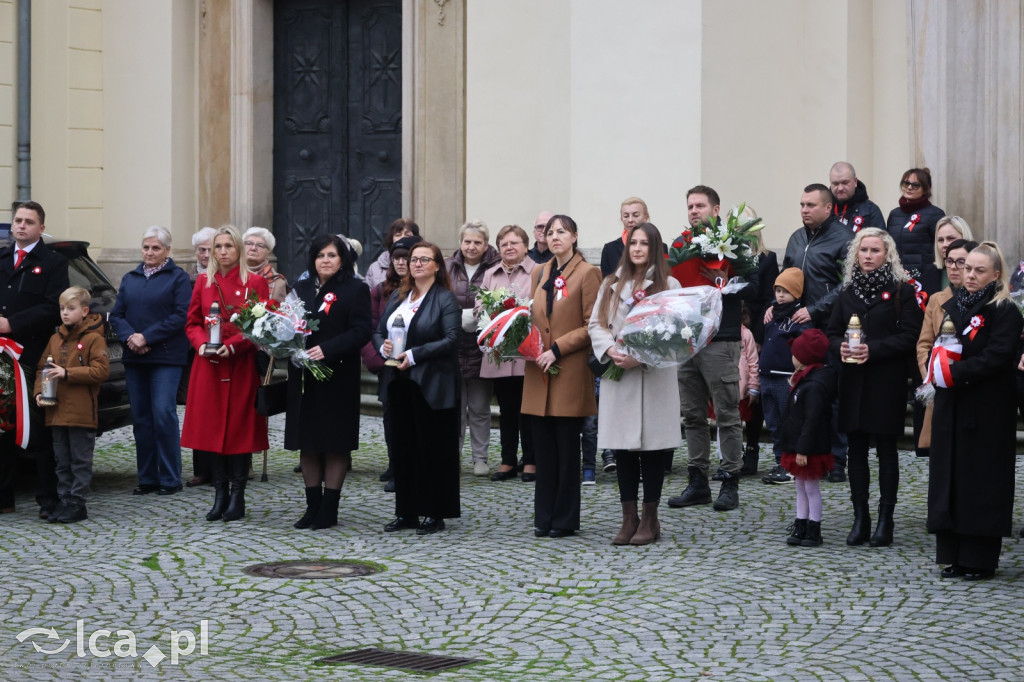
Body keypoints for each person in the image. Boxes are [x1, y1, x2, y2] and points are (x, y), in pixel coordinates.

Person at [927, 242, 1023, 581]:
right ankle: (953, 554)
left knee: (980, 482)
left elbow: (997, 356)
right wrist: (936, 368)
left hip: (986, 410)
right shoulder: (955, 306)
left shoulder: (1004, 310)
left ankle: (979, 559)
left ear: (996, 275)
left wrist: (957, 373)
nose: (970, 275)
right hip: (953, 406)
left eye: (979, 270)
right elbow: (943, 346)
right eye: (967, 268)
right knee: (951, 479)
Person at [826, 228, 923, 547]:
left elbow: (911, 336)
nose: (868, 256)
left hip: (886, 381)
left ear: (887, 254)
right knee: (856, 450)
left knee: (886, 451)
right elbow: (832, 331)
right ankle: (860, 518)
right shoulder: (847, 291)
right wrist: (840, 345)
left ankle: (886, 519)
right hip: (853, 381)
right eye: (863, 250)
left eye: (875, 251)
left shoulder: (901, 291)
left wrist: (875, 349)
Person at [668, 186, 758, 512]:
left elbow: (759, 284)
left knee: (726, 413)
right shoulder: (679, 245)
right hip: (687, 339)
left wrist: (726, 279)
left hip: (720, 338)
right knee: (692, 415)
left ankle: (730, 479)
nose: (694, 210)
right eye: (690, 205)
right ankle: (698, 481)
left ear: (716, 209)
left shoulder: (733, 244)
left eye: (700, 205)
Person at [589, 223, 680, 545]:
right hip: (619, 377)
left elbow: (677, 333)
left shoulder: (669, 284)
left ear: (654, 247)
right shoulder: (612, 283)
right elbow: (596, 325)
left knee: (652, 450)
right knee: (623, 449)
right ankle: (628, 518)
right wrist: (612, 349)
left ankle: (650, 518)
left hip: (653, 378)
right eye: (633, 243)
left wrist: (641, 357)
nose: (638, 248)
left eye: (644, 243)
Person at [180, 225, 270, 523]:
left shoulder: (255, 281)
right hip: (208, 365)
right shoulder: (203, 282)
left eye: (228, 246)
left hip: (240, 364)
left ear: (238, 249)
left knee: (239, 431)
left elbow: (260, 325)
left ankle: (238, 495)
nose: (222, 252)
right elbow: (192, 322)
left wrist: (232, 346)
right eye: (217, 247)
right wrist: (201, 343)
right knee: (212, 429)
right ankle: (219, 493)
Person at [521, 214, 601, 538]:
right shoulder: (539, 272)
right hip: (538, 371)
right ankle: (544, 517)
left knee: (567, 449)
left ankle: (565, 519)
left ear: (575, 236)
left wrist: (557, 348)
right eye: (550, 232)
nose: (554, 237)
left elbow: (591, 325)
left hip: (567, 369)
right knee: (543, 449)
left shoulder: (588, 272)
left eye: (562, 232)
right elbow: (533, 315)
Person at [374, 241, 461, 535]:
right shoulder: (399, 296)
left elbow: (451, 339)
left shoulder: (445, 299)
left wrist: (413, 355)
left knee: (432, 450)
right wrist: (383, 346)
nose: (417, 264)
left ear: (437, 265)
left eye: (425, 259)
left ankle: (434, 512)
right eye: (414, 259)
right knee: (402, 448)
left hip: (431, 384)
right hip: (398, 383)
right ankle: (406, 512)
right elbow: (377, 331)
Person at [768, 184, 854, 482]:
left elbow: (848, 285)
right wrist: (775, 305)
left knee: (832, 395)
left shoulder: (844, 239)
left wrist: (815, 309)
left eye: (810, 205)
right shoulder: (795, 238)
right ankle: (804, 455)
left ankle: (838, 458)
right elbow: (787, 280)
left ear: (828, 208)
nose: (804, 209)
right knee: (803, 394)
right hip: (800, 328)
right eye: (802, 204)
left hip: (831, 326)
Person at [285, 235, 372, 530]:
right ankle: (312, 506)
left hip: (338, 375)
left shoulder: (356, 289)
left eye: (332, 255)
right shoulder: (300, 288)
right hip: (304, 375)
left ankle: (329, 507)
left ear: (342, 259)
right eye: (320, 255)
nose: (325, 260)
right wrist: (284, 345)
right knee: (308, 443)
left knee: (334, 443)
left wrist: (329, 349)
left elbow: (362, 330)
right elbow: (286, 324)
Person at [109, 226, 192, 495]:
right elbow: (117, 314)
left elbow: (180, 316)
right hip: (135, 357)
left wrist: (147, 337)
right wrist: (131, 336)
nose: (149, 252)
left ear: (167, 250)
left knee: (163, 413)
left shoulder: (178, 278)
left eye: (156, 248)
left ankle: (169, 478)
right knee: (142, 418)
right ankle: (147, 477)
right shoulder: (130, 277)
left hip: (166, 357)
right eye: (146, 247)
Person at [0, 201, 70, 518]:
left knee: (39, 428)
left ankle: (48, 499)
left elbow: (53, 307)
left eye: (29, 221)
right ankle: (4, 496)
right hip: (1, 356)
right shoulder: (2, 258)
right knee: (2, 428)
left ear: (41, 228)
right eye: (18, 220)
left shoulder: (53, 263)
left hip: (33, 356)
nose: (21, 225)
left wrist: (12, 324)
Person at [32, 286, 109, 523]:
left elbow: (100, 371)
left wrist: (67, 373)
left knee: (79, 461)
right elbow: (41, 368)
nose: (65, 313)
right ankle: (64, 500)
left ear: (85, 311)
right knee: (61, 461)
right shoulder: (55, 338)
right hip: (56, 413)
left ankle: (78, 503)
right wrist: (38, 392)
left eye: (71, 308)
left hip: (81, 413)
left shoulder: (94, 338)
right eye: (62, 308)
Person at [478, 225, 536, 483]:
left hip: (527, 351)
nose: (509, 247)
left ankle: (532, 460)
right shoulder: (491, 274)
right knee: (507, 409)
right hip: (501, 353)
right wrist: (495, 310)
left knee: (530, 410)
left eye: (515, 243)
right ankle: (508, 460)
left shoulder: (538, 272)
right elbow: (481, 304)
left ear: (525, 246)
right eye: (504, 244)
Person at [362, 235, 421, 492]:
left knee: (414, 417)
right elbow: (373, 327)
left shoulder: (424, 291)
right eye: (396, 258)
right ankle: (395, 464)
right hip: (389, 363)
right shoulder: (381, 290)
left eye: (405, 258)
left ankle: (412, 467)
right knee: (391, 418)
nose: (400, 262)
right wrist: (379, 358)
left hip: (416, 363)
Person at [446, 220, 500, 476]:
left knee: (479, 407)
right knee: (455, 407)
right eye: (467, 241)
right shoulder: (448, 267)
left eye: (477, 242)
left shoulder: (494, 267)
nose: (471, 246)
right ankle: (452, 456)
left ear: (485, 244)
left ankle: (480, 458)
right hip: (453, 347)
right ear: (460, 243)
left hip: (481, 349)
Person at [915, 238, 977, 452]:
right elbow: (924, 344)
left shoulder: (983, 300)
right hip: (940, 382)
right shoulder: (936, 299)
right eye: (950, 261)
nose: (953, 267)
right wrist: (931, 373)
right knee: (941, 449)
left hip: (969, 383)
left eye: (961, 262)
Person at [778, 329, 836, 547]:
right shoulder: (804, 381)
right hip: (798, 445)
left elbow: (812, 420)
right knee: (800, 487)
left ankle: (814, 527)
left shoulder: (814, 386)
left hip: (809, 448)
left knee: (811, 488)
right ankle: (801, 523)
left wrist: (803, 448)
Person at [759, 268, 811, 484]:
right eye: (778, 290)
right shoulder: (771, 314)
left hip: (785, 377)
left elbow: (804, 346)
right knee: (773, 423)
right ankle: (781, 460)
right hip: (767, 375)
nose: (780, 295)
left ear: (796, 293)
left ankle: (791, 465)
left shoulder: (799, 319)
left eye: (785, 291)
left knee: (788, 422)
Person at [885, 168, 946, 295]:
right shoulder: (894, 214)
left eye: (915, 185)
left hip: (925, 279)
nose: (909, 187)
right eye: (906, 183)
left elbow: (941, 247)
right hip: (898, 277)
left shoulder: (936, 214)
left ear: (926, 188)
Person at [828, 161, 885, 232]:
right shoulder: (824, 209)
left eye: (845, 183)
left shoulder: (870, 210)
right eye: (835, 184)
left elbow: (880, 241)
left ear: (855, 182)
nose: (840, 188)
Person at [600, 198, 648, 278]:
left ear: (646, 217)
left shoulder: (659, 246)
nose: (630, 220)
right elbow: (606, 284)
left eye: (636, 215)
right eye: (626, 216)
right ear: (621, 219)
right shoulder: (610, 249)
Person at [365, 218, 419, 291]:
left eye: (407, 234)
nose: (402, 238)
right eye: (398, 234)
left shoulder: (420, 264)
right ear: (391, 238)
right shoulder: (375, 268)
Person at [243, 227, 289, 304]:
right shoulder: (231, 275)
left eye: (260, 245)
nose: (253, 248)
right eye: (249, 243)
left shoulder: (278, 282)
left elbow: (281, 313)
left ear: (268, 251)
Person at [931, 216, 974, 291]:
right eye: (941, 240)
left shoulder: (979, 273)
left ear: (964, 237)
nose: (944, 245)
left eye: (950, 238)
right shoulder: (931, 274)